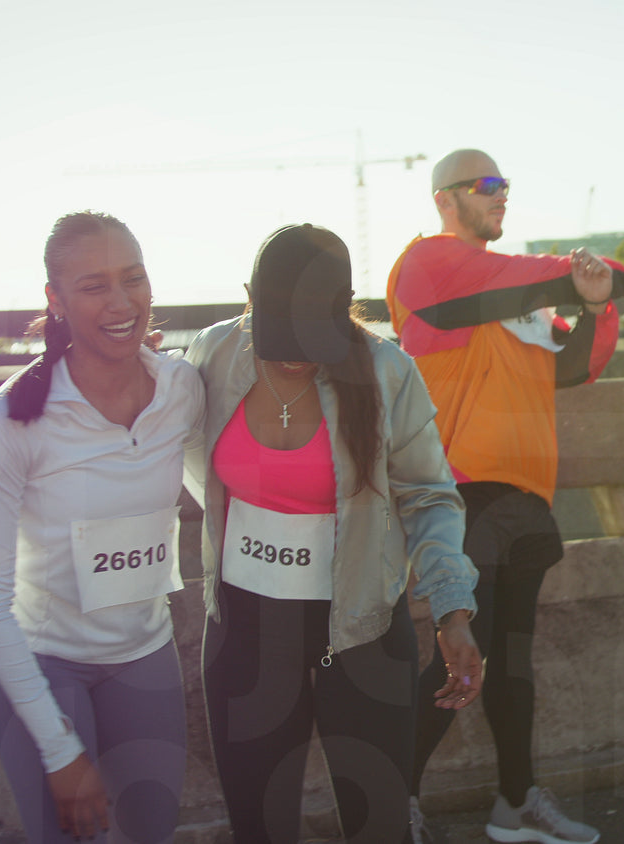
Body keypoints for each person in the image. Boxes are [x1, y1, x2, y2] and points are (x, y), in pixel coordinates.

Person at [387, 149, 624, 844]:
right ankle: (390, 801)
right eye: (485, 185)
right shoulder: (428, 265)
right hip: (460, 495)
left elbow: (575, 367)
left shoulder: (519, 303)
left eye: (504, 184)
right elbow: (535, 276)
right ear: (444, 200)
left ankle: (515, 803)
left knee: (511, 663)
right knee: (458, 657)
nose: (501, 195)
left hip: (525, 497)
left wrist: (598, 306)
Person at [183, 223, 482, 844]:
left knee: (379, 828)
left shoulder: (387, 371)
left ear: (346, 309)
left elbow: (429, 495)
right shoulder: (213, 354)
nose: (294, 354)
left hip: (360, 630)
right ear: (248, 300)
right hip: (245, 630)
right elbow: (181, 449)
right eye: (279, 333)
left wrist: (452, 608)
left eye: (313, 334)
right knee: (258, 829)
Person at [0, 211, 203, 842]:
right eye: (94, 286)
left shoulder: (181, 388)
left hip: (145, 656)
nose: (121, 302)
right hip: (45, 665)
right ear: (56, 299)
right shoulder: (5, 422)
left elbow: (219, 479)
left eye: (133, 278)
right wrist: (58, 750)